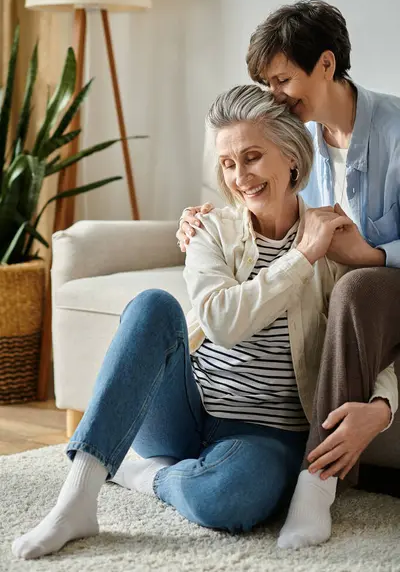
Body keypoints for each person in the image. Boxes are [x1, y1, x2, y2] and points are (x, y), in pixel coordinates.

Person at [12, 85, 397, 560]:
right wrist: (299, 257)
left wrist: (385, 402)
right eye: (229, 164)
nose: (241, 176)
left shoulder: (331, 240)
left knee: (226, 501)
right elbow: (220, 322)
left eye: (253, 157)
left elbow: (363, 340)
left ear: (292, 159)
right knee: (152, 305)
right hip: (185, 412)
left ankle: (143, 474)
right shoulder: (211, 229)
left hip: (268, 431)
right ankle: (76, 498)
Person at [177, 0, 400, 548]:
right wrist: (209, 219)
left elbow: (348, 260)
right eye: (266, 83)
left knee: (355, 285)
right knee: (339, 290)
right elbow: (274, 214)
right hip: (344, 302)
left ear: (326, 65)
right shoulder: (304, 147)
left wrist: (370, 255)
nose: (274, 96)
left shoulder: (396, 130)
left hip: (381, 287)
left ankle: (315, 484)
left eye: (282, 80)